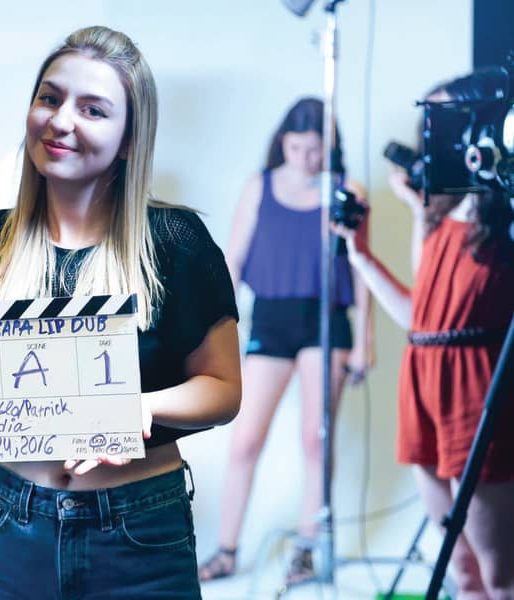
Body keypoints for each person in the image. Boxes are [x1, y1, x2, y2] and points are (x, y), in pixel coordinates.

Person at [0, 26, 241, 599]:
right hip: (9, 522)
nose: (62, 121)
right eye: (49, 97)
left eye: (93, 109)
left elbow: (224, 390)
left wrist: (138, 406)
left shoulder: (176, 240)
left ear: (130, 139)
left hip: (139, 527)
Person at [333, 76, 514, 598]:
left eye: (445, 125)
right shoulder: (435, 212)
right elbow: (424, 318)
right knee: (462, 571)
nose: (431, 138)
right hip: (425, 386)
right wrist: (360, 253)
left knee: (502, 574)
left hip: (478, 392)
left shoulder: (502, 212)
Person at [198, 97, 373, 583]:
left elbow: (362, 272)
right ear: (283, 143)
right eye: (296, 147)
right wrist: (214, 329)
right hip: (272, 320)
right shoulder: (261, 187)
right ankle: (227, 551)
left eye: (315, 150)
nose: (304, 158)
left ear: (329, 148)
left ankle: (307, 552)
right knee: (246, 439)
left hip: (326, 322)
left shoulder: (347, 191)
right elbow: (231, 262)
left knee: (316, 442)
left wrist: (366, 342)